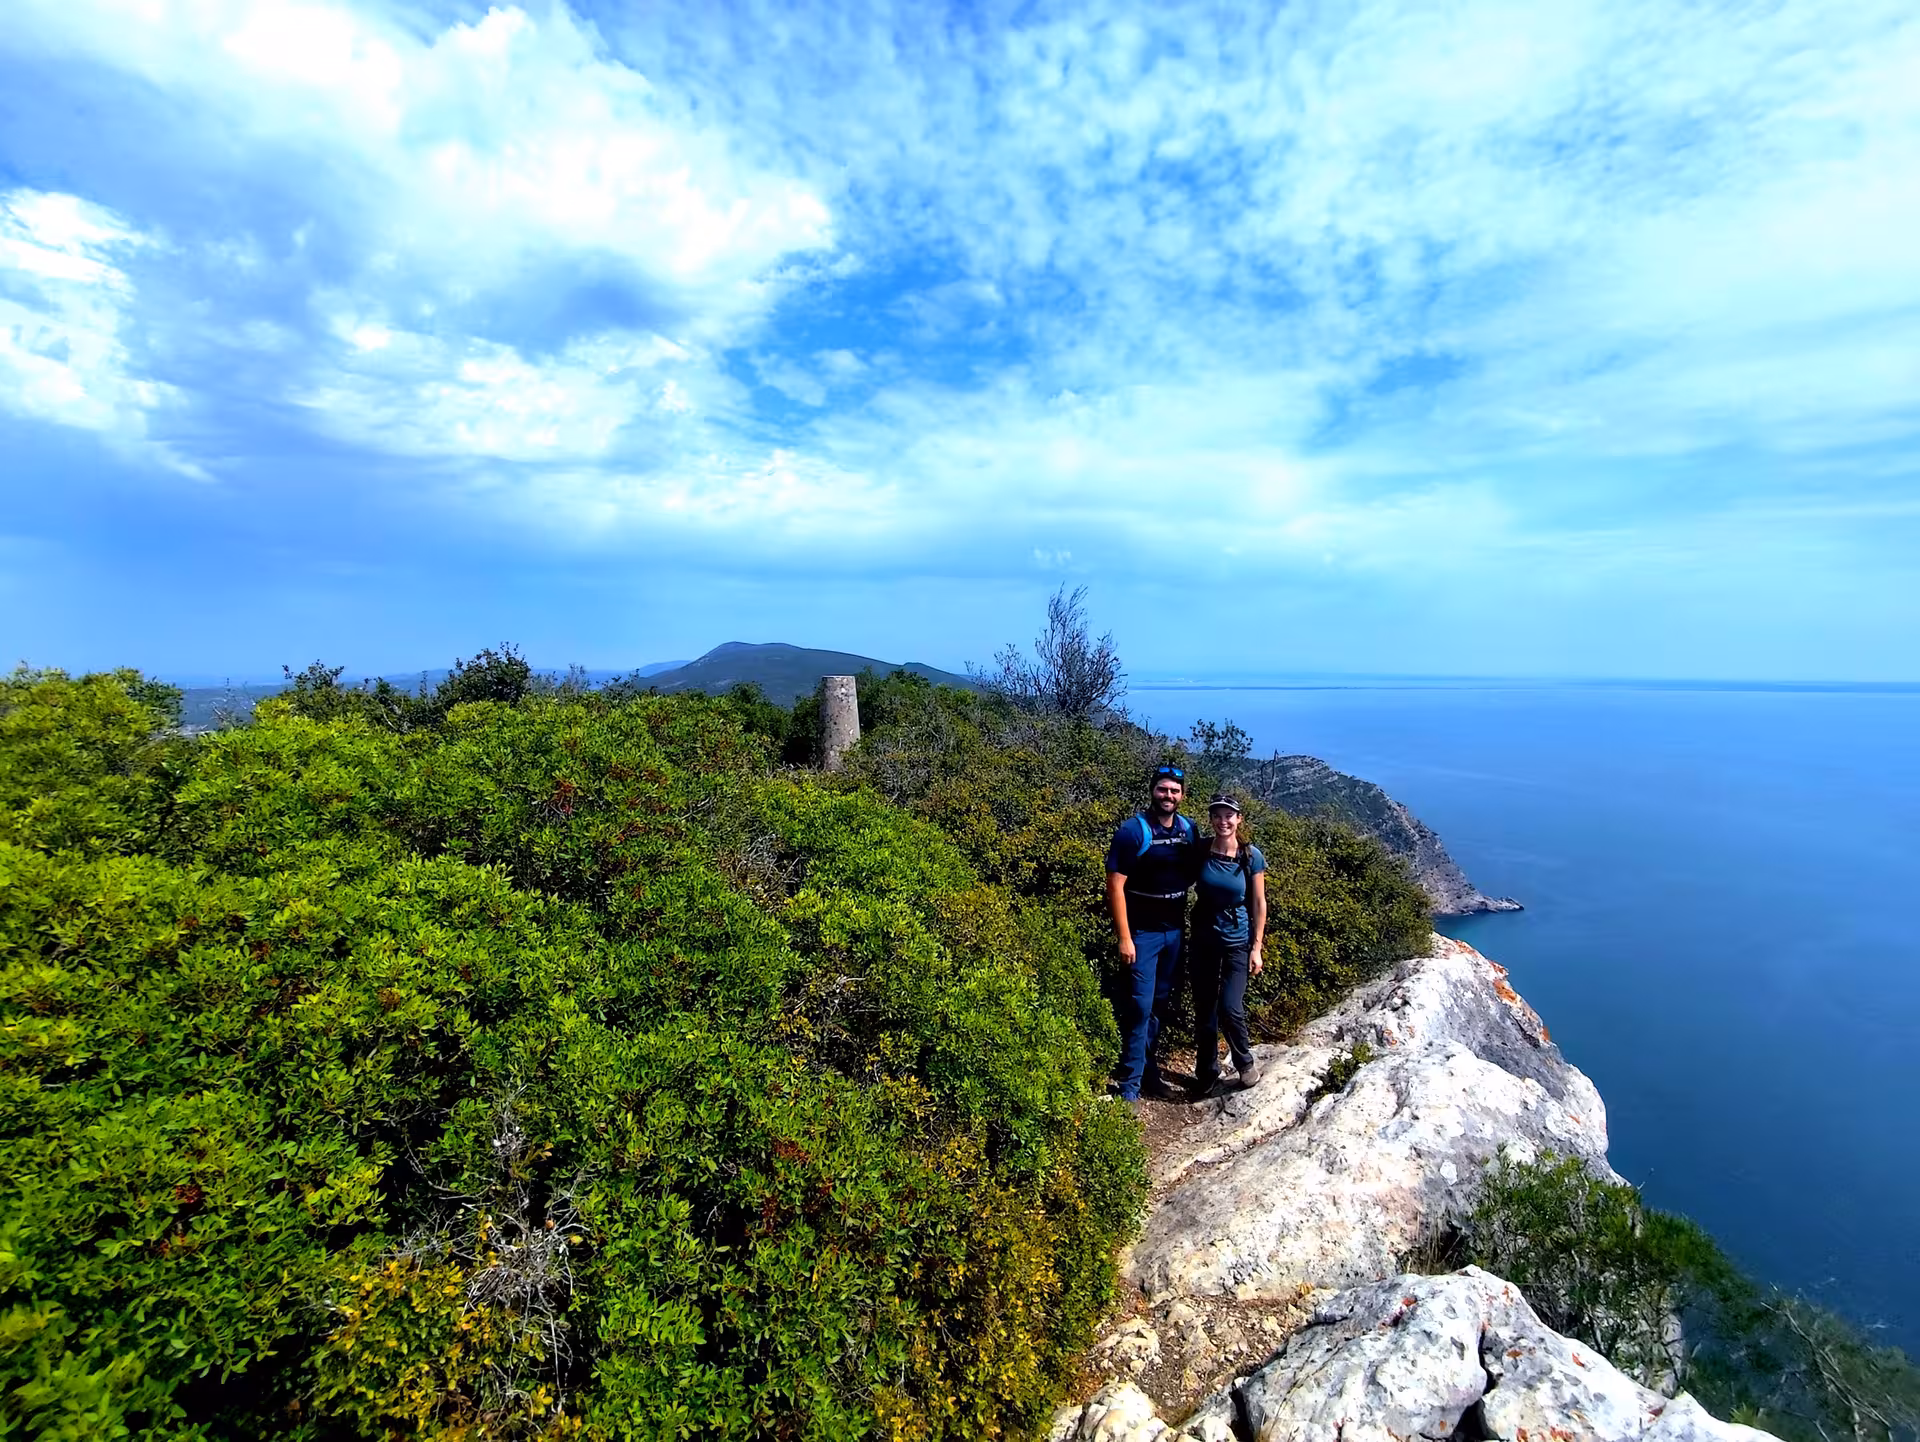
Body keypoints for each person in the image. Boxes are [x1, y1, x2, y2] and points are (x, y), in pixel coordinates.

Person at [1104, 764, 1200, 1102]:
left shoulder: (1189, 831)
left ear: (1183, 795)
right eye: (1163, 789)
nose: (1168, 796)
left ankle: (1149, 1074)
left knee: (1159, 1005)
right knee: (1141, 1006)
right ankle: (1130, 1086)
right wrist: (1125, 937)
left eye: (1174, 791)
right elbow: (1115, 886)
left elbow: (1196, 871)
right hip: (1143, 933)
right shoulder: (1133, 831)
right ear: (1152, 791)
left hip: (1174, 931)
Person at [1189, 793, 1268, 1094]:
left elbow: (1259, 903)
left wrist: (1256, 948)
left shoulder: (1250, 856)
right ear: (1211, 819)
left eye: (1229, 815)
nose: (1223, 821)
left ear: (1239, 819)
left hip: (1237, 941)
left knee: (1230, 1006)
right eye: (1217, 815)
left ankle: (1244, 1063)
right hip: (1204, 939)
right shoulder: (1201, 850)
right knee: (1205, 1008)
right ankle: (1207, 1070)